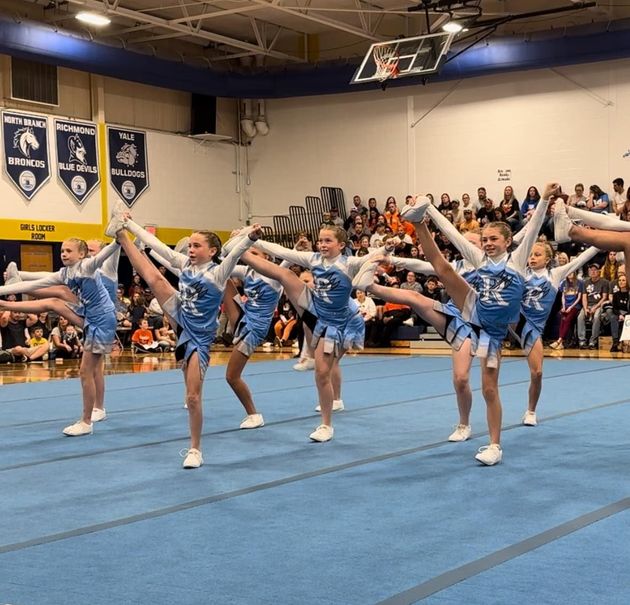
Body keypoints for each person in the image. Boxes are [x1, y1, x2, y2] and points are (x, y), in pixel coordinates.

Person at [394, 185, 556, 465]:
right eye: (485, 239)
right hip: (475, 309)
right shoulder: (478, 258)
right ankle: (421, 217)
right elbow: (455, 237)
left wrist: (542, 199)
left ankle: (495, 446)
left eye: (494, 238)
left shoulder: (517, 260)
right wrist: (431, 208)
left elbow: (533, 228)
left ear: (507, 241)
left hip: (490, 334)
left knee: (490, 389)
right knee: (443, 269)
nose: (488, 243)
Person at [106, 201, 262, 468]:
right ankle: (120, 231)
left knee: (192, 396)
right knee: (155, 279)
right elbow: (158, 247)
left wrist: (250, 237)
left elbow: (235, 254)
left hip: (199, 336)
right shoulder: (184, 265)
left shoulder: (218, 271)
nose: (190, 250)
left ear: (212, 251)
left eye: (196, 246)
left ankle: (195, 449)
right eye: (189, 245)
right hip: (180, 315)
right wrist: (130, 223)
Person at [224, 226, 388, 442]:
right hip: (314, 308)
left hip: (334, 324)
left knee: (322, 373)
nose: (322, 245)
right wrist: (251, 239)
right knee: (285, 274)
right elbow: (281, 251)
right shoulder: (313, 258)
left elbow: (372, 256)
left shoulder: (348, 263)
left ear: (341, 245)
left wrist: (387, 247)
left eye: (328, 241)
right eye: (320, 240)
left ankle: (326, 425)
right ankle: (312, 366)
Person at [0, 238, 118, 435]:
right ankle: (6, 303)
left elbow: (110, 252)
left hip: (102, 320)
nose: (63, 254)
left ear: (83, 254)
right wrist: (7, 287)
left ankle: (86, 422)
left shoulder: (93, 266)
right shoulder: (66, 272)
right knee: (53, 300)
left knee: (85, 371)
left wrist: (119, 235)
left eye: (68, 251)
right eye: (62, 250)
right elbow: (42, 279)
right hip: (89, 313)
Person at [513, 240, 598, 425]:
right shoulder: (520, 271)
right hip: (514, 321)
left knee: (537, 373)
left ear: (548, 259)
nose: (532, 258)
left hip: (532, 327)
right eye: (531, 254)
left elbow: (581, 259)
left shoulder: (555, 274)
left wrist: (598, 243)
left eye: (537, 254)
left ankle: (531, 411)